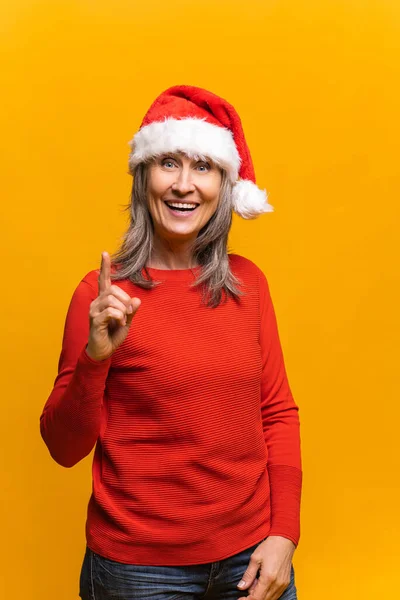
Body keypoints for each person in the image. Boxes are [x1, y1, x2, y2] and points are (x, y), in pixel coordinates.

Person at [40, 85, 302, 600]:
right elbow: (62, 447)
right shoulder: (101, 296)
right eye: (168, 163)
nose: (184, 184)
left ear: (225, 184)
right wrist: (97, 357)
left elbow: (277, 412)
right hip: (136, 572)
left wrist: (284, 534)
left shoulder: (250, 285)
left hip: (250, 558)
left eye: (203, 166)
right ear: (143, 178)